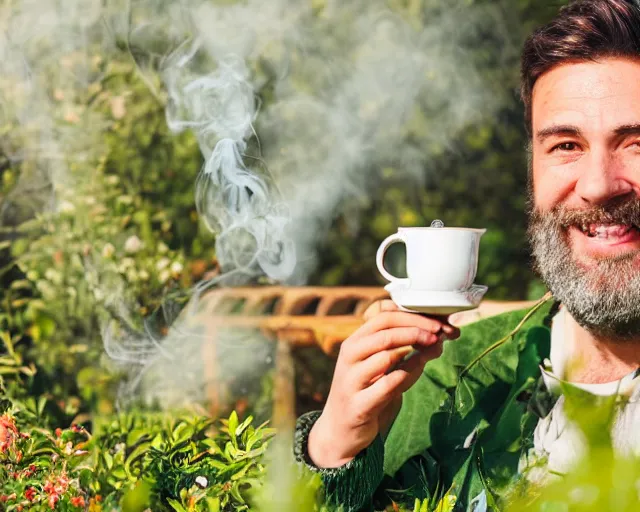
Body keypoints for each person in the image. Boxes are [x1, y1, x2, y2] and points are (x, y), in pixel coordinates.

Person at [293, 0, 640, 510]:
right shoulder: (455, 372)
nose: (596, 185)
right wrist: (335, 448)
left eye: (636, 143)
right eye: (566, 145)